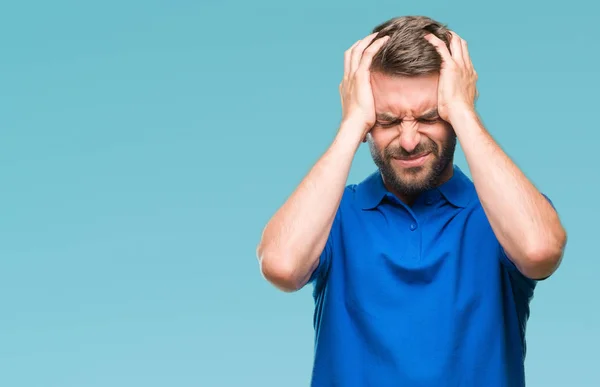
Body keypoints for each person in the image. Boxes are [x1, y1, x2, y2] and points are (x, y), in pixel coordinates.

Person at [255, 15, 567, 387]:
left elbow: (539, 251)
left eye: (430, 116)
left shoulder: (500, 214)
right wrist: (351, 124)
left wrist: (465, 113)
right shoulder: (334, 216)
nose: (407, 140)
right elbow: (281, 266)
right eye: (387, 121)